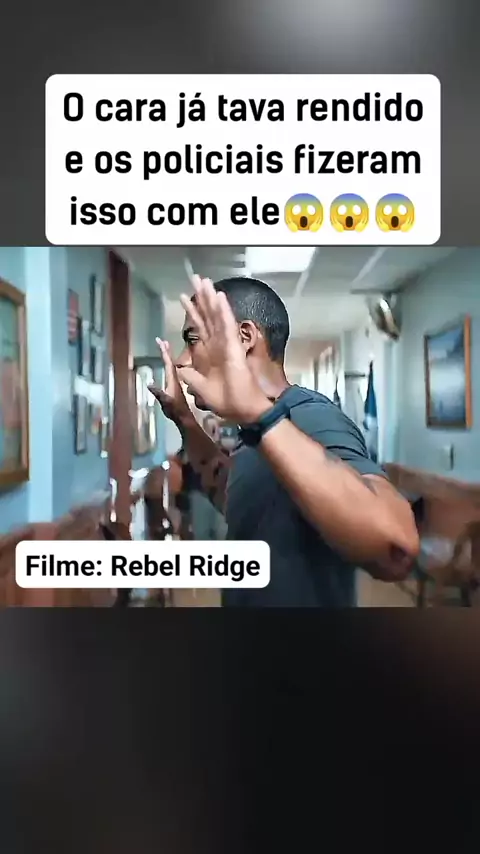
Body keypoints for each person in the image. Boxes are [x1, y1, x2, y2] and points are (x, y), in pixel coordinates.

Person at [149, 275, 419, 607]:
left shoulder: (311, 417)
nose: (181, 360)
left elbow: (396, 548)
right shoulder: (261, 430)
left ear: (245, 337)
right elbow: (238, 498)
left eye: (192, 340)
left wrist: (258, 414)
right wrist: (185, 420)